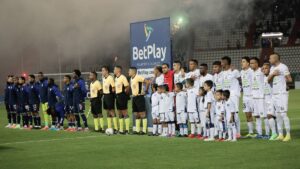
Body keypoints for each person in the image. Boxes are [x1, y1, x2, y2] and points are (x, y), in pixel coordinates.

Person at [268, 53, 292, 142]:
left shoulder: (283, 67)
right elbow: (268, 80)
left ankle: (288, 134)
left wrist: (283, 79)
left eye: (270, 58)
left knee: (283, 114)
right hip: (275, 94)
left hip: (282, 94)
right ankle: (281, 134)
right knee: (277, 115)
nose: (269, 60)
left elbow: (290, 79)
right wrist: (273, 74)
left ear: (275, 58)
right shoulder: (272, 68)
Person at [221, 56, 241, 138]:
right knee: (227, 114)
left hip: (233, 95)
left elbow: (240, 80)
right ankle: (230, 132)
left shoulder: (235, 71)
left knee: (235, 113)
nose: (221, 63)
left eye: (222, 62)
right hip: (225, 96)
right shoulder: (222, 73)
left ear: (226, 62)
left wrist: (238, 91)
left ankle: (238, 133)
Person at [250, 57, 269, 139]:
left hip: (261, 97)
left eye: (253, 63)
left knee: (264, 116)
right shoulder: (250, 72)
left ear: (257, 63)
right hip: (254, 97)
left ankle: (268, 133)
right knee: (256, 116)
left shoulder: (261, 71)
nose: (251, 65)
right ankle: (259, 133)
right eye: (250, 63)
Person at [129, 67, 149, 135]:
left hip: (139, 97)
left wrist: (145, 91)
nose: (128, 72)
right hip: (134, 98)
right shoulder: (131, 78)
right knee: (136, 114)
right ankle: (137, 130)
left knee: (142, 114)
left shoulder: (138, 77)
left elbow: (147, 81)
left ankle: (144, 130)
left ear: (133, 72)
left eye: (129, 71)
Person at [240, 57, 256, 138]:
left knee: (256, 114)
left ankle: (259, 131)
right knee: (247, 114)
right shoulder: (241, 72)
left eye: (243, 62)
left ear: (248, 63)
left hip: (252, 96)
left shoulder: (251, 71)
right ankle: (251, 132)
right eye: (241, 62)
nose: (241, 63)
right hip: (245, 97)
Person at [262, 62, 278, 140]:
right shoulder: (264, 77)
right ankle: (276, 133)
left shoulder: (271, 77)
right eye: (263, 68)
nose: (264, 70)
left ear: (270, 69)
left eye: (266, 68)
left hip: (272, 99)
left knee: (269, 116)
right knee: (273, 117)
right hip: (266, 100)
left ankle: (274, 133)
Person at [114, 66, 130, 134]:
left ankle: (127, 130)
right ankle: (121, 130)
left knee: (124, 112)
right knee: (119, 113)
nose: (114, 70)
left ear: (118, 70)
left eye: (115, 69)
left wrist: (125, 95)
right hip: (117, 96)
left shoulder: (123, 77)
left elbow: (127, 86)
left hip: (122, 96)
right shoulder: (115, 78)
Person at [101, 66, 117, 132]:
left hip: (110, 96)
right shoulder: (103, 78)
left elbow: (113, 87)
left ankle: (116, 128)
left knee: (112, 111)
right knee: (107, 112)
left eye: (103, 70)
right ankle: (109, 127)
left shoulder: (110, 78)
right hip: (105, 96)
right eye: (102, 70)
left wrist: (112, 95)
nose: (102, 72)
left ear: (107, 71)